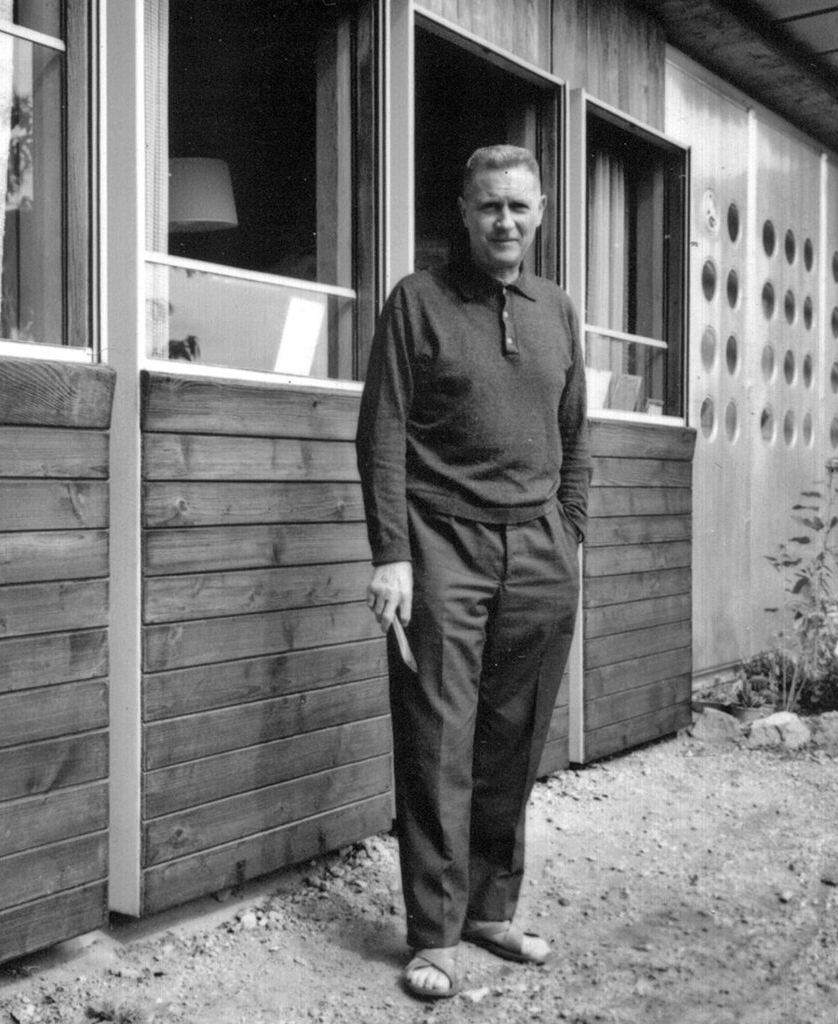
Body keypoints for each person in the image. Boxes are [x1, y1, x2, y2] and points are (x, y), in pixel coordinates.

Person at [355, 144, 589, 1000]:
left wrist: (570, 535)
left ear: (540, 212)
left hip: (536, 549)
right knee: (437, 738)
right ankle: (434, 934)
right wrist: (392, 553)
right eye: (490, 206)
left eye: (520, 207)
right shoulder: (417, 301)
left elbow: (576, 436)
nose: (505, 222)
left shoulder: (558, 309)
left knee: (514, 735)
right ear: (463, 208)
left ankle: (492, 908)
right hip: (441, 544)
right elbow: (382, 432)